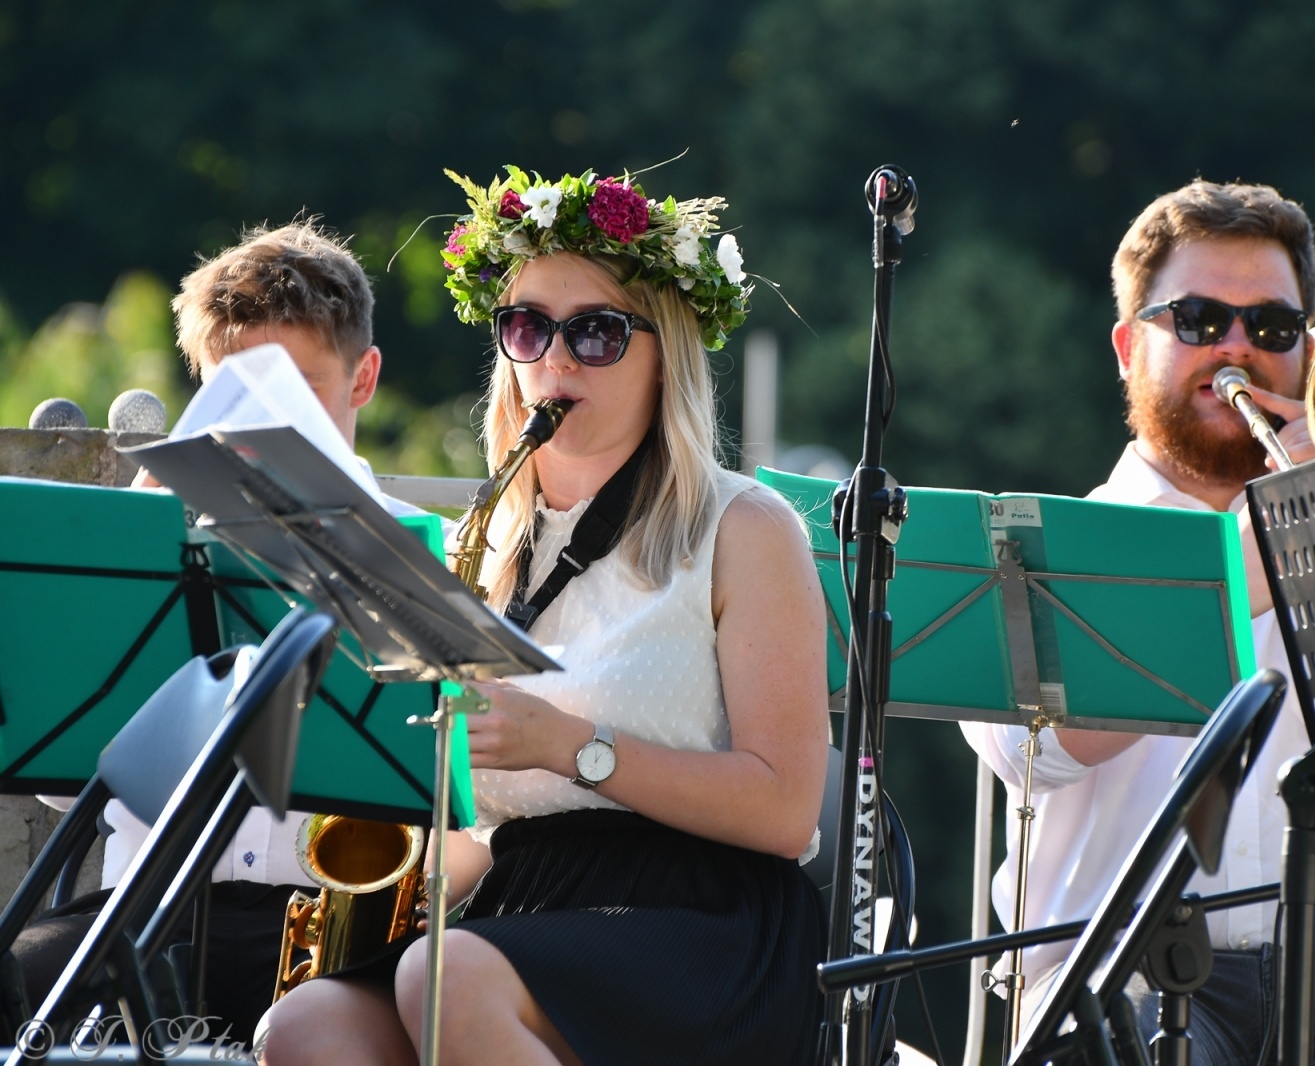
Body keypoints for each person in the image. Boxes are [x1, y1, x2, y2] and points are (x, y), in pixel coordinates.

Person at [259, 167, 830, 1066]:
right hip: (523, 899)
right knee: (304, 1027)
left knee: (443, 980)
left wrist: (568, 744)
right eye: (525, 327)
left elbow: (789, 811)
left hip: (704, 917)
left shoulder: (745, 527)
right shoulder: (475, 546)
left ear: (665, 353)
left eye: (596, 332)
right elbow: (487, 833)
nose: (553, 361)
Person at [961, 180, 1315, 1064]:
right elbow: (1035, 749)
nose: (1237, 350)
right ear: (1125, 345)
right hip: (1122, 980)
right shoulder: (1045, 549)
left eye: (1271, 329)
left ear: (1311, 352)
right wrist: (1266, 547)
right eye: (1196, 320)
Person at [16, 220, 414, 1042]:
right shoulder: (144, 543)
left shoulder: (418, 549)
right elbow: (63, 787)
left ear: (363, 379)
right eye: (239, 395)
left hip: (334, 932)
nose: (264, 426)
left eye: (297, 392)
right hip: (145, 914)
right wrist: (135, 533)